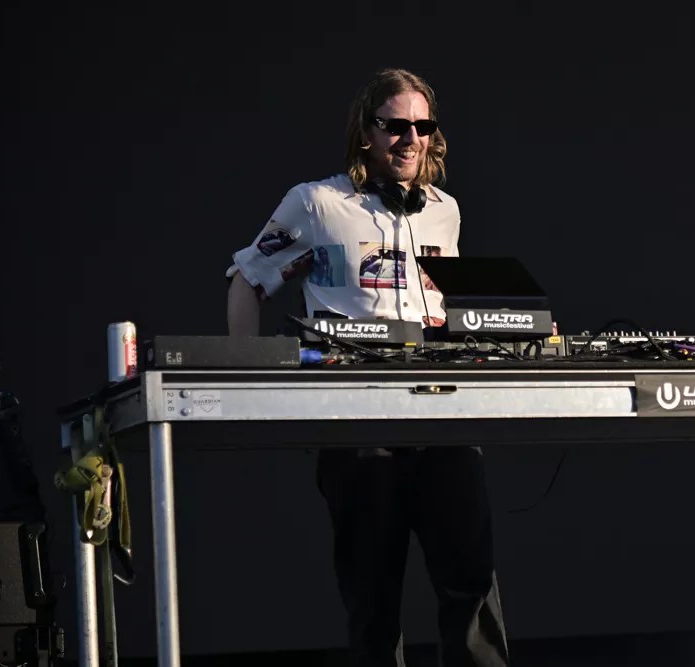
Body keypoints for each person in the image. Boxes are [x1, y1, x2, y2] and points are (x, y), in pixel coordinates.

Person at [225, 68, 510, 667]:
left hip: (443, 413)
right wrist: (250, 384)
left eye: (422, 126)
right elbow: (248, 278)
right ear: (366, 132)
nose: (411, 139)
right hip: (358, 423)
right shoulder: (318, 203)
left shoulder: (445, 211)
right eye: (395, 126)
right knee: (373, 601)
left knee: (472, 587)